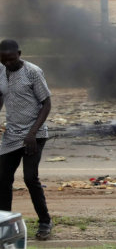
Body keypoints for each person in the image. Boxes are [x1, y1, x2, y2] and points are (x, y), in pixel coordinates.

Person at [0, 39, 52, 241]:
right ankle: (5, 226)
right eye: (4, 59)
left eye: (11, 59)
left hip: (34, 135)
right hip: (11, 134)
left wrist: (31, 134)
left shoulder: (33, 72)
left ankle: (45, 222)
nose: (8, 63)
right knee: (3, 180)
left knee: (30, 178)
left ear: (19, 54)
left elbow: (47, 103)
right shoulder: (1, 70)